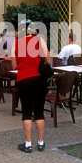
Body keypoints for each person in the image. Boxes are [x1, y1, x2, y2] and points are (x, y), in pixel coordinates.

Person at [11, 20, 50, 153]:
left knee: (26, 111)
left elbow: (14, 66)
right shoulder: (40, 41)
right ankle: (40, 142)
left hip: (24, 79)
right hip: (39, 79)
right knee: (39, 112)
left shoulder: (16, 44)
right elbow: (48, 61)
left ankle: (28, 144)